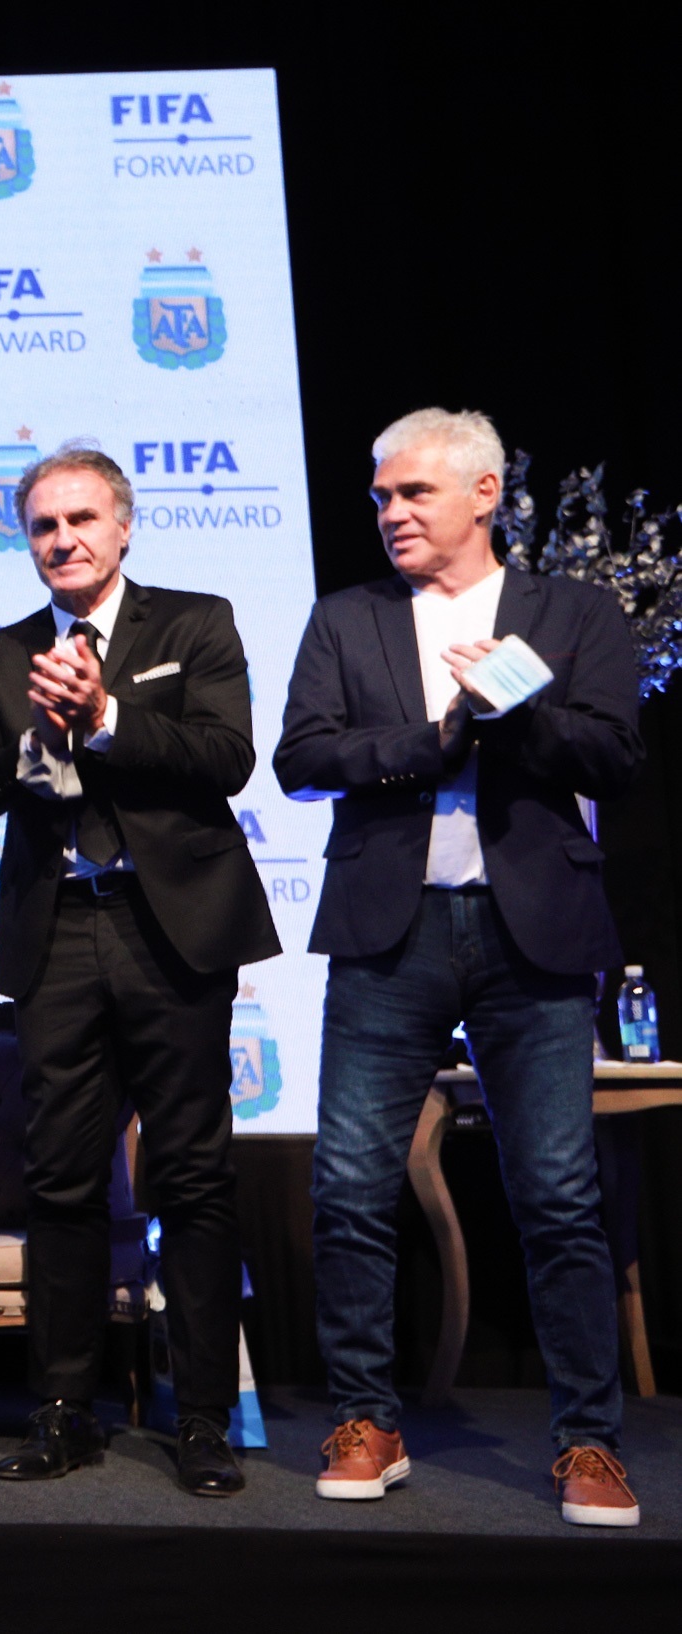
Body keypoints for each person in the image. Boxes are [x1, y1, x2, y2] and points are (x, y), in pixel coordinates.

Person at [274, 407, 645, 1527]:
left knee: (559, 1194)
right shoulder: (349, 619)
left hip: (529, 931)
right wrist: (430, 740)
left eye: (412, 494)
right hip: (391, 932)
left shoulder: (572, 611)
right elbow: (301, 756)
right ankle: (364, 1415)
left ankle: (588, 1440)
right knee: (345, 1184)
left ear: (483, 494)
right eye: (381, 496)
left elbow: (616, 754)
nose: (389, 513)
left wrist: (518, 711)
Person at [0, 444, 278, 1497]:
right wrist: (30, 736)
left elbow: (226, 756)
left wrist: (102, 718)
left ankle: (199, 1421)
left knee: (188, 1176)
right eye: (43, 525)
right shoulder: (2, 654)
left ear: (123, 526)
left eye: (82, 519)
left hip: (168, 925)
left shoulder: (193, 621)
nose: (63, 540)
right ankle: (61, 1411)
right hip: (60, 931)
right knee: (60, 1177)